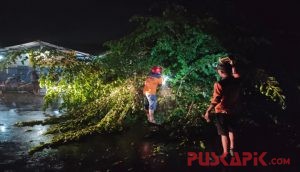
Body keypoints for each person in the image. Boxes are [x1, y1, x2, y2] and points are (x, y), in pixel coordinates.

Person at [203, 61, 242, 158]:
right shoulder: (236, 81)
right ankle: (233, 149)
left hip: (221, 111)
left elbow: (216, 99)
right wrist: (233, 65)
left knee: (223, 133)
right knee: (231, 130)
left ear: (221, 72)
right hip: (233, 110)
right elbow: (236, 74)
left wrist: (208, 111)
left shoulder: (219, 84)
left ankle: (225, 153)